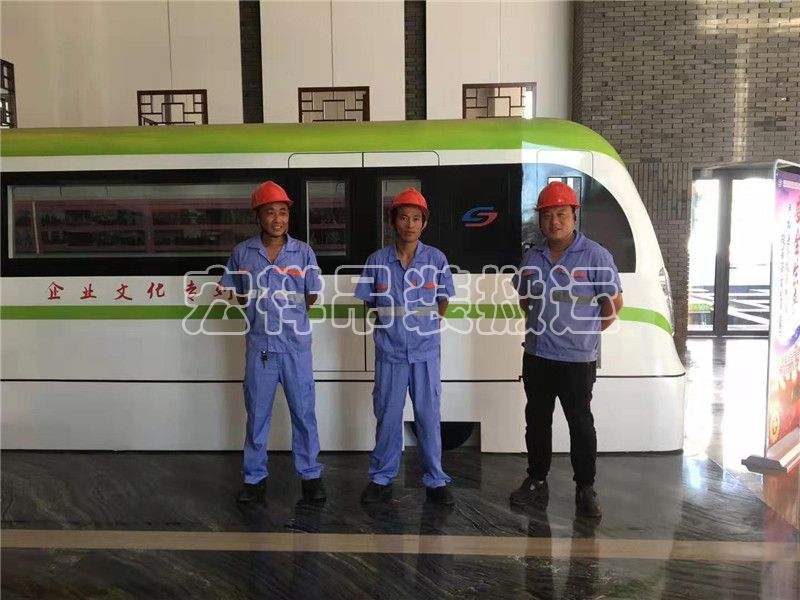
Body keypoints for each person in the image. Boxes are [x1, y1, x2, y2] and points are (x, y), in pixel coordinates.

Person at [509, 181, 623, 518]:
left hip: (576, 361)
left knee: (580, 424)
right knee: (537, 422)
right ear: (540, 220)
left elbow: (614, 305)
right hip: (537, 356)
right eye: (547, 215)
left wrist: (584, 335)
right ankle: (536, 480)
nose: (554, 221)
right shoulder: (533, 256)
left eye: (561, 214)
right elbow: (525, 299)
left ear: (574, 215)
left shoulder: (596, 256)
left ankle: (585, 488)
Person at [220, 180, 325, 504]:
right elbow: (238, 295)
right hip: (261, 348)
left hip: (295, 348)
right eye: (270, 212)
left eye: (283, 212)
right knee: (257, 415)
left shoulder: (303, 252)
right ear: (258, 217)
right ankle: (254, 479)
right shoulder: (242, 253)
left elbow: (311, 295)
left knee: (304, 414)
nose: (277, 219)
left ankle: (311, 477)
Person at [354, 188, 456, 506]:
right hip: (390, 354)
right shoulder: (376, 261)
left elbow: (443, 302)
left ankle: (435, 480)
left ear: (424, 223)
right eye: (403, 217)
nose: (409, 224)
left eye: (415, 218)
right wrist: (393, 329)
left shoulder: (436, 259)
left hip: (425, 354)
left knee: (428, 416)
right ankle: (381, 478)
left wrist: (423, 329)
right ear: (393, 222)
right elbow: (370, 303)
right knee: (387, 416)